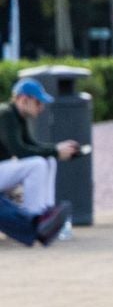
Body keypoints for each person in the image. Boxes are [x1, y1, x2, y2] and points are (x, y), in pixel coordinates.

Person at [0, 78, 77, 246]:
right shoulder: (6, 113)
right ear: (23, 99)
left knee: (48, 159)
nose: (41, 107)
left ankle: (47, 214)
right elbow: (19, 151)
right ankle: (35, 218)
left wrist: (57, 149)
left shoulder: (18, 116)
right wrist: (57, 150)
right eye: (37, 102)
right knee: (37, 164)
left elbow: (32, 145)